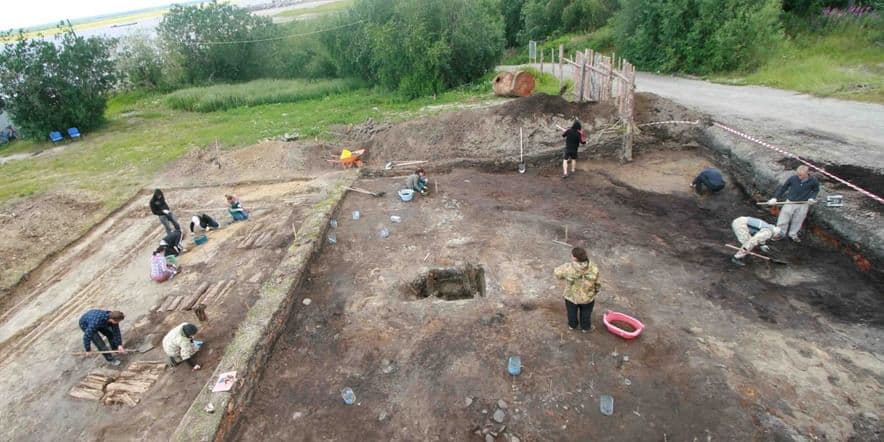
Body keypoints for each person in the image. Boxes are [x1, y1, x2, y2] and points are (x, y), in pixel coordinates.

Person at [767, 165, 820, 242]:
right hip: (790, 202)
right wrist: (775, 198)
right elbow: (783, 188)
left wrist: (812, 198)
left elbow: (816, 190)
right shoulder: (793, 178)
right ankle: (780, 233)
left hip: (803, 204)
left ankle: (793, 234)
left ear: (807, 173)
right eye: (798, 174)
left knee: (798, 220)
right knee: (783, 219)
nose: (799, 177)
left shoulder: (813, 181)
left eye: (801, 175)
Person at [553, 247, 600, 332]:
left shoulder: (568, 267)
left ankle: (572, 325)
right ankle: (585, 328)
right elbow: (598, 284)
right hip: (587, 297)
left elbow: (557, 273)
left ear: (575, 258)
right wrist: (594, 292)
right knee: (586, 313)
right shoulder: (594, 268)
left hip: (571, 296)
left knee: (571, 312)